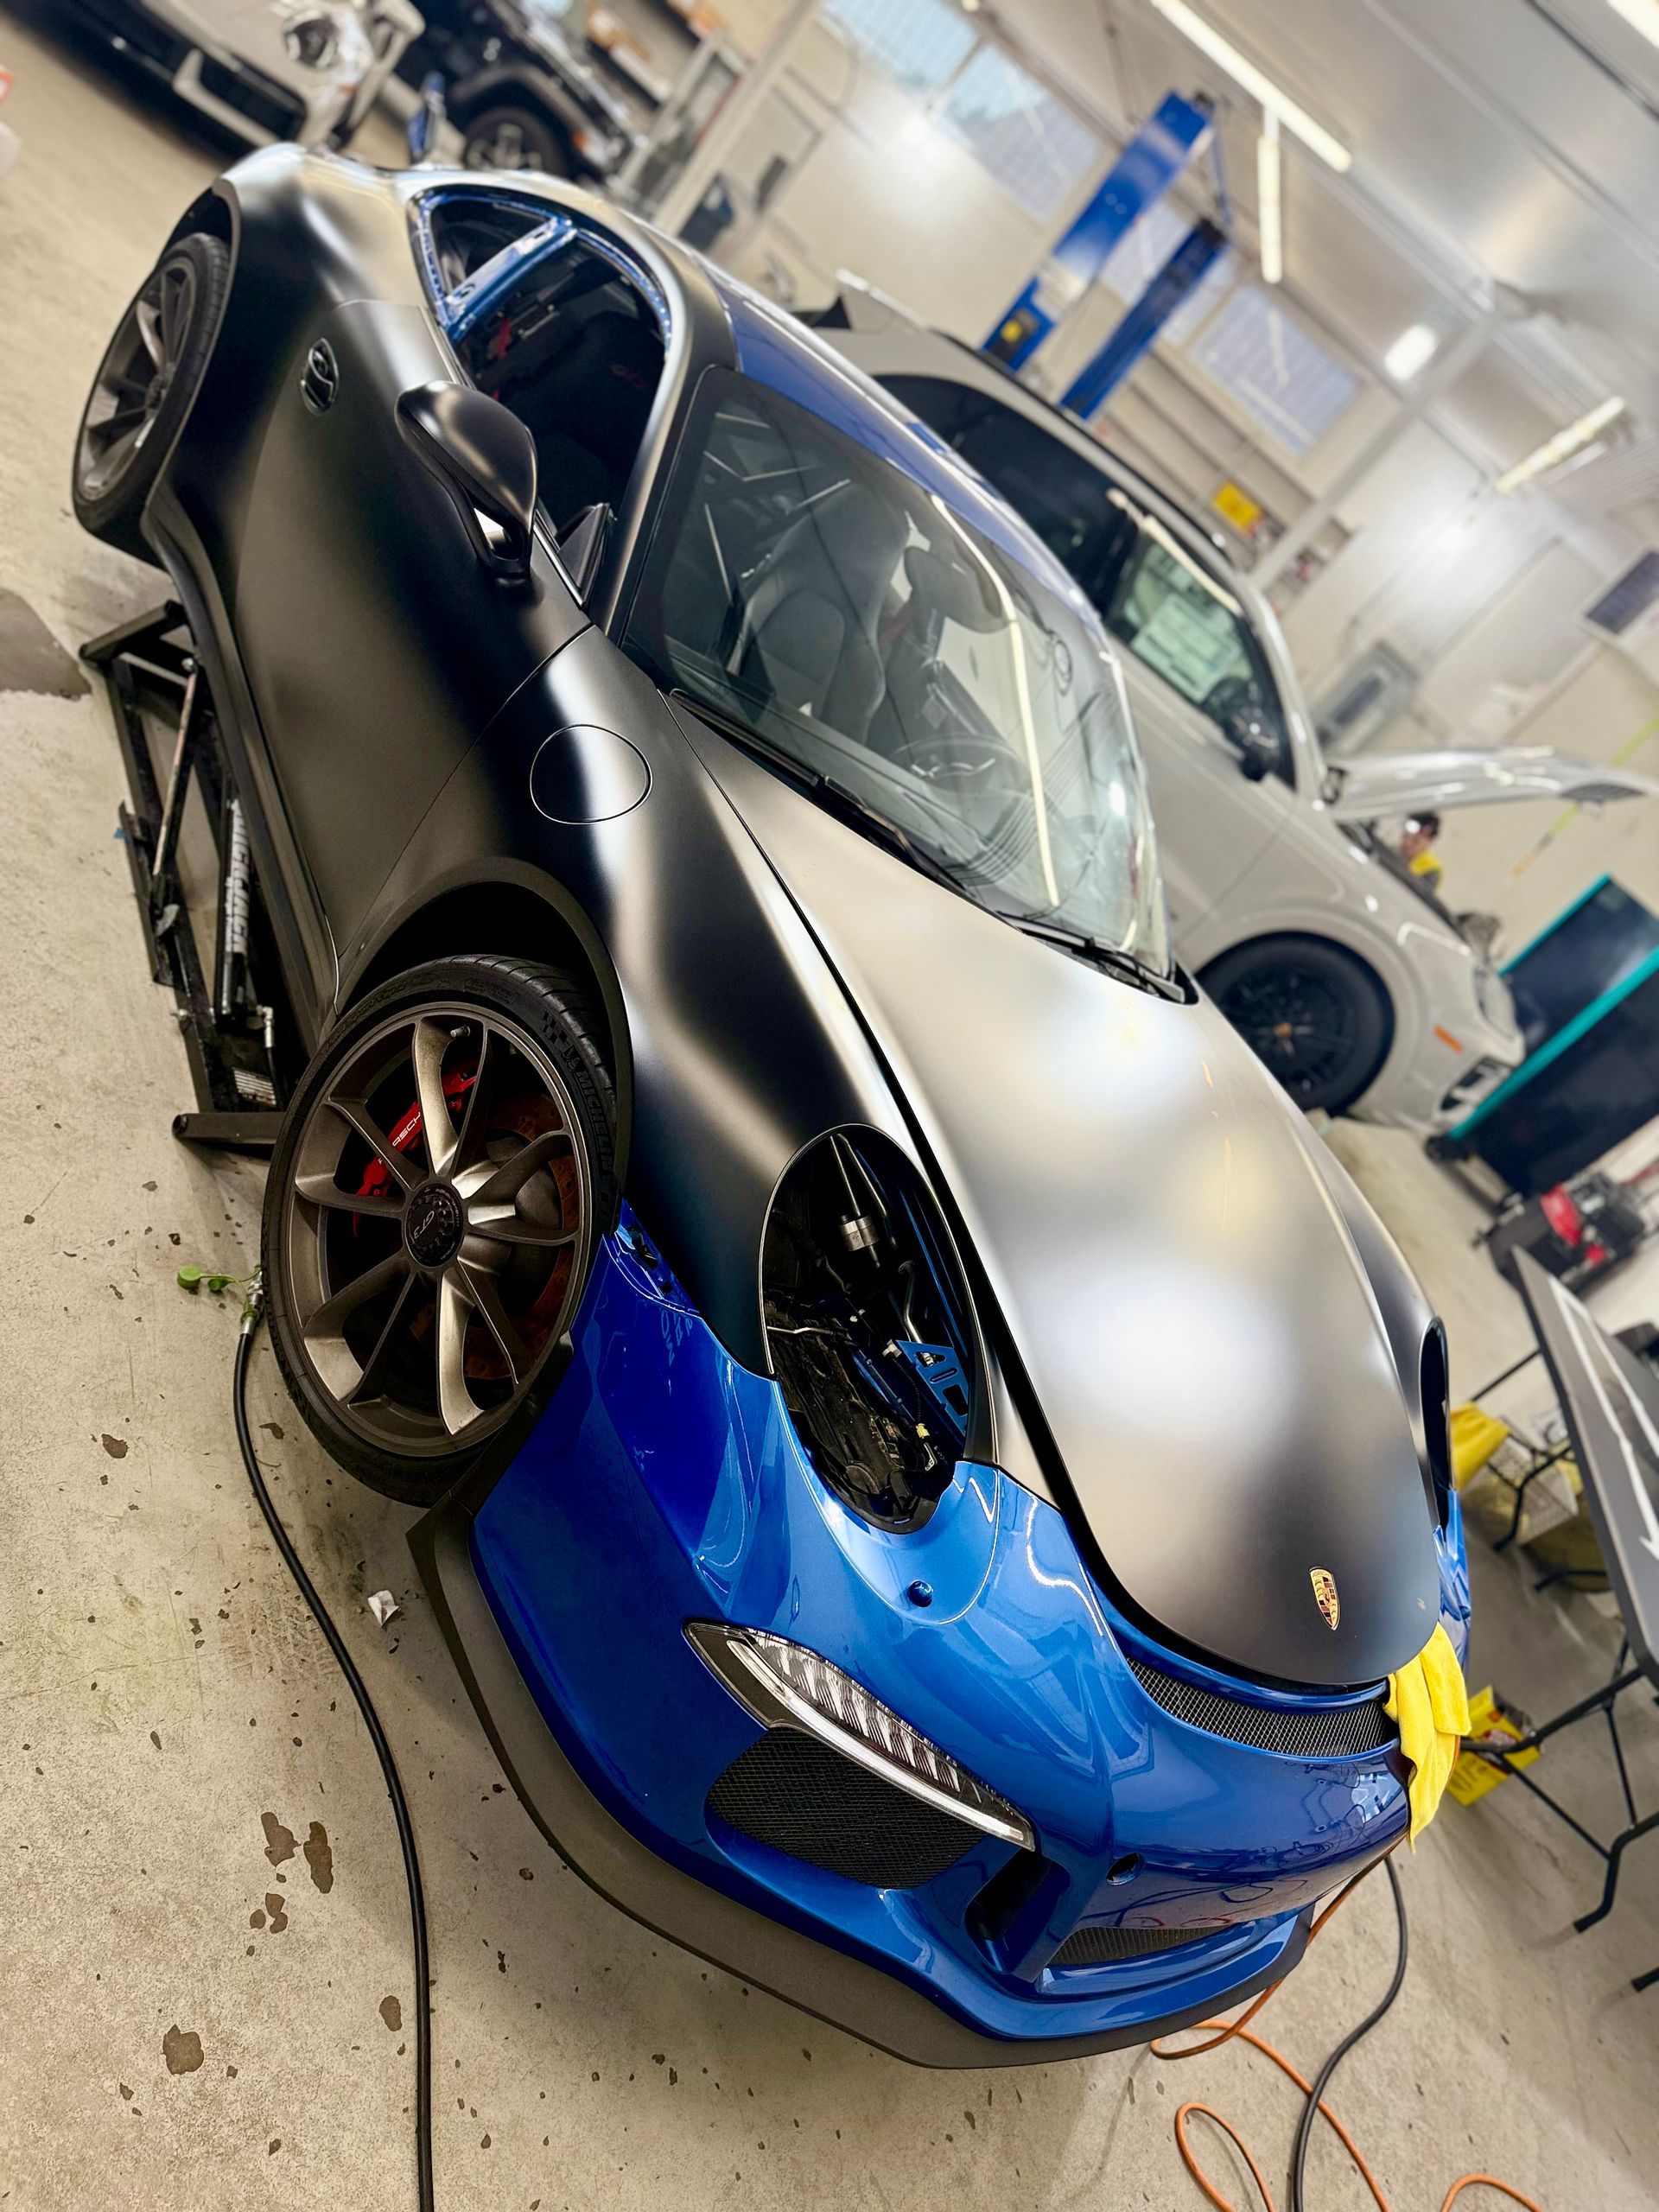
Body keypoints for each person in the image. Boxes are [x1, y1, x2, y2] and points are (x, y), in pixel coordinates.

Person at [1399, 810, 1443, 893]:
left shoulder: (1431, 869)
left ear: (1429, 842)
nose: (1407, 843)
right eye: (1405, 836)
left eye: (1415, 841)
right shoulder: (1391, 851)